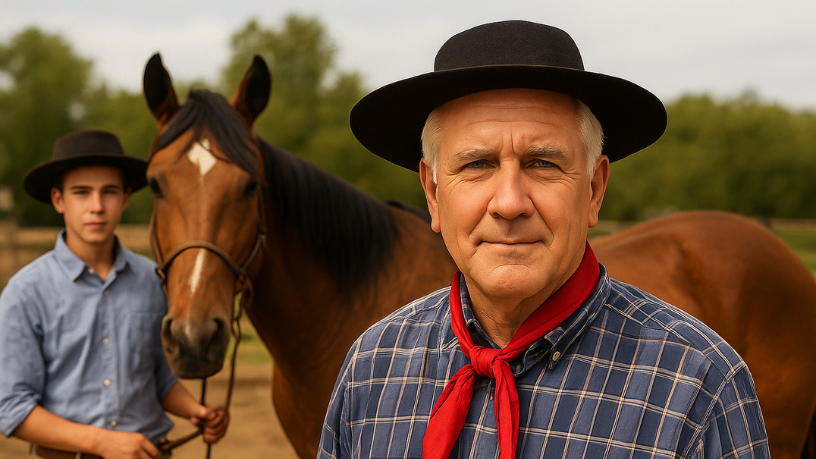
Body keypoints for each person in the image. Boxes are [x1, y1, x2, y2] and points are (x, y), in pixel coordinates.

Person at [317, 20, 769, 459]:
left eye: (542, 163)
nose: (510, 202)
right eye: (477, 165)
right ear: (434, 195)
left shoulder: (700, 386)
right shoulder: (370, 369)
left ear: (593, 189)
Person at [0, 130, 229, 459]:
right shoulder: (25, 293)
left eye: (108, 192)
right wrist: (102, 442)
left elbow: (158, 379)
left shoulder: (152, 281)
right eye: (81, 193)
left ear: (124, 199)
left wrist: (196, 410)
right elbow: (12, 408)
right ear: (58, 200)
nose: (96, 206)